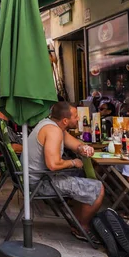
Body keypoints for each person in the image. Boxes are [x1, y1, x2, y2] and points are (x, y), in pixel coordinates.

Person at [28, 102, 104, 243]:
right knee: (98, 188)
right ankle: (82, 227)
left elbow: (75, 144)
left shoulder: (53, 126)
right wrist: (74, 162)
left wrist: (83, 148)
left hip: (35, 179)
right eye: (75, 116)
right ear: (65, 120)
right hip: (40, 183)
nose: (78, 119)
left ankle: (77, 221)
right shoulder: (53, 131)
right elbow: (53, 164)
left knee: (82, 176)